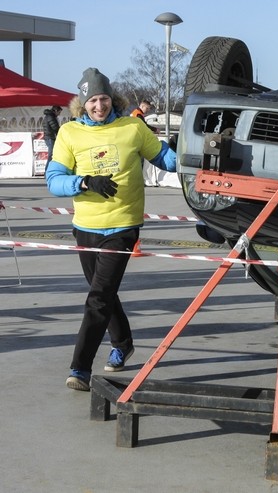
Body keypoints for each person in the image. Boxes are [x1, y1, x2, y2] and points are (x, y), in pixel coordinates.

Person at [45, 68, 177, 391]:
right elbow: (54, 180)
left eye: (103, 99)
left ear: (112, 99)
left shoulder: (132, 127)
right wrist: (85, 182)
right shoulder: (70, 133)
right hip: (86, 227)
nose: (99, 106)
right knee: (101, 291)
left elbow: (166, 160)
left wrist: (183, 147)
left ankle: (80, 368)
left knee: (98, 297)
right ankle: (123, 341)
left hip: (123, 225)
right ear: (83, 104)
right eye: (92, 101)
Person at [42, 105, 62, 171]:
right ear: (56, 111)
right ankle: (47, 171)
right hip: (50, 137)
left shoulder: (48, 116)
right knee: (51, 155)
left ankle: (48, 170)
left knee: (52, 154)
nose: (59, 114)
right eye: (59, 112)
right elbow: (56, 128)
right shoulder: (51, 117)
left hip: (49, 137)